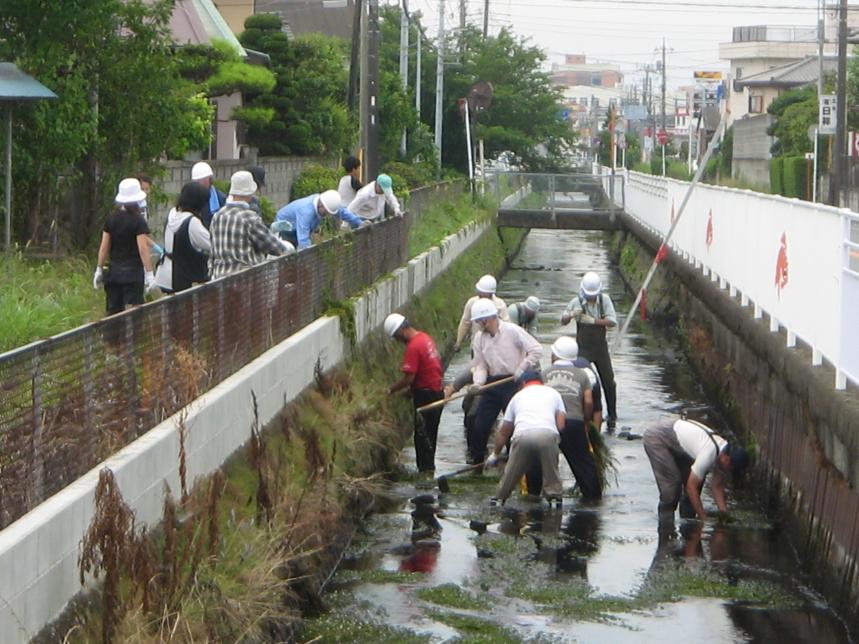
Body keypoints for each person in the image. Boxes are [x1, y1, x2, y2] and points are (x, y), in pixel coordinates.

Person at [468, 298, 542, 465]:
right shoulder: (479, 338)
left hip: (513, 382)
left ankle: (513, 461)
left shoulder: (512, 331)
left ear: (489, 318)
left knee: (512, 425)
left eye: (480, 321)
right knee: (480, 424)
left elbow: (536, 350)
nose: (479, 325)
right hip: (492, 383)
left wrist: (522, 368)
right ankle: (477, 462)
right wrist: (478, 384)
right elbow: (480, 364)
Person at [642, 417, 749, 527]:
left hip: (678, 442)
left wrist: (725, 515)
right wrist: (704, 519)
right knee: (673, 486)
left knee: (695, 489)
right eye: (730, 468)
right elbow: (690, 487)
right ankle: (666, 528)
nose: (728, 471)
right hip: (657, 437)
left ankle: (687, 526)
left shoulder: (723, 452)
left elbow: (716, 486)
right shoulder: (709, 453)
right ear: (727, 460)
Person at [485, 371, 566, 506]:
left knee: (511, 473)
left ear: (523, 383)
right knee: (552, 476)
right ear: (541, 382)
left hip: (522, 435)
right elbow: (561, 425)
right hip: (547, 434)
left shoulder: (517, 397)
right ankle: (554, 502)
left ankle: (499, 499)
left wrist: (495, 454)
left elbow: (504, 431)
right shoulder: (554, 394)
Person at [541, 336, 602, 500]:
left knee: (543, 460)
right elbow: (589, 401)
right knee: (583, 461)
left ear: (554, 355)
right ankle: (593, 497)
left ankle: (538, 493)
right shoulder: (582, 375)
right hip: (574, 422)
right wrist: (585, 421)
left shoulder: (544, 374)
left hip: (550, 424)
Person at [384, 313, 444, 474]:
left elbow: (410, 377)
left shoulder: (413, 346)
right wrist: (411, 392)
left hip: (426, 396)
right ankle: (428, 469)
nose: (397, 341)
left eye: (396, 337)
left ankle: (425, 472)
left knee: (422, 436)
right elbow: (430, 369)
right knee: (431, 434)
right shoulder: (425, 338)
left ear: (401, 331)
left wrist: (391, 390)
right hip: (437, 392)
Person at [561, 271, 618, 431]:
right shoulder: (576, 302)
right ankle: (583, 416)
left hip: (600, 348)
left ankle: (612, 416)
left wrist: (594, 321)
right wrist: (571, 314)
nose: (591, 297)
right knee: (583, 382)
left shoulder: (604, 300)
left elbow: (612, 321)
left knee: (608, 381)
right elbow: (563, 320)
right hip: (582, 349)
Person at [209, 171, 292, 279]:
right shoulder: (249, 218)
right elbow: (275, 248)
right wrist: (288, 248)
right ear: (250, 194)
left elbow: (212, 252)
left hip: (219, 279)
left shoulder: (217, 216)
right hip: (245, 281)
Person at [93, 178, 156, 315]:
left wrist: (99, 268)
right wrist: (150, 273)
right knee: (133, 314)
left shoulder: (111, 218)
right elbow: (142, 248)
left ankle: (112, 337)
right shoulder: (138, 220)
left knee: (113, 313)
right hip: (133, 273)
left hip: (114, 272)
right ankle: (131, 337)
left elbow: (104, 247)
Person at [154, 181, 212, 294]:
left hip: (164, 273)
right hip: (183, 277)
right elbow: (212, 244)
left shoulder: (172, 213)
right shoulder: (192, 222)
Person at [274, 190, 365, 250]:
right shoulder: (306, 211)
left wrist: (360, 223)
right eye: (326, 212)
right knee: (289, 255)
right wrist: (309, 255)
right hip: (285, 228)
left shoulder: (325, 201)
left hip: (299, 226)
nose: (327, 215)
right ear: (320, 205)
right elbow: (303, 239)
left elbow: (342, 212)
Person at [453, 275, 510, 352]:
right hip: (476, 347)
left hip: (495, 349)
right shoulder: (472, 303)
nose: (480, 294)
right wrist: (458, 342)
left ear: (490, 293)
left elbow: (507, 326)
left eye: (483, 293)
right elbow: (465, 323)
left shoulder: (500, 305)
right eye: (479, 292)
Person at [191, 161, 227, 229]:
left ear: (210, 179)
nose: (201, 183)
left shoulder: (220, 198)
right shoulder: (190, 198)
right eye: (198, 181)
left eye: (204, 180)